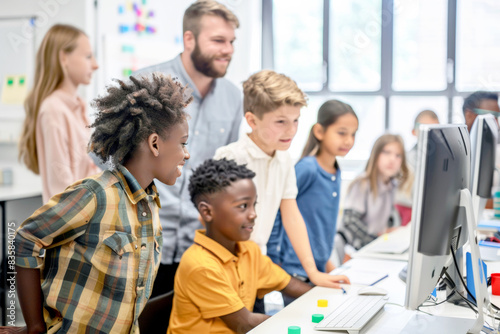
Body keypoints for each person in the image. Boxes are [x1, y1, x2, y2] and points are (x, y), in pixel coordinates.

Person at [15, 74, 192, 334]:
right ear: (155, 144)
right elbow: (26, 238)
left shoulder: (151, 203)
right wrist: (34, 326)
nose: (186, 154)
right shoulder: (94, 195)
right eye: (183, 144)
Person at [134, 0, 243, 297]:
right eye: (218, 40)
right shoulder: (147, 84)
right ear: (189, 39)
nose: (228, 49)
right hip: (142, 241)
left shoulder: (234, 97)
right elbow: (103, 152)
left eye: (231, 41)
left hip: (198, 245)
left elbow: (224, 169)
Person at [214, 70, 350, 291]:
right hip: (225, 272)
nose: (291, 130)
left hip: (255, 268)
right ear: (251, 120)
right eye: (280, 122)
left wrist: (313, 272)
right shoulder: (230, 158)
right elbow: (216, 224)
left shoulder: (284, 159)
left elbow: (292, 216)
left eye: (295, 120)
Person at [168, 158, 313, 333]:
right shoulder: (201, 264)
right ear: (207, 212)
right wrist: (299, 326)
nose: (253, 214)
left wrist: (328, 297)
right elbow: (245, 323)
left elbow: (288, 285)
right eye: (243, 206)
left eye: (254, 204)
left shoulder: (248, 250)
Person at [266, 100, 358, 305]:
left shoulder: (335, 170)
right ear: (319, 131)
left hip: (317, 269)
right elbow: (280, 212)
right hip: (295, 269)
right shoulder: (307, 168)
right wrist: (276, 259)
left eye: (353, 134)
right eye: (342, 133)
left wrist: (328, 265)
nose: (349, 140)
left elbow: (318, 226)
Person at [18, 24, 100, 203]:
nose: (95, 65)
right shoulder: (53, 110)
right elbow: (62, 192)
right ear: (64, 58)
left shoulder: (79, 106)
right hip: (75, 225)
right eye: (88, 57)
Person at [336, 134, 410, 261]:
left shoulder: (391, 185)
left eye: (398, 155)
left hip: (374, 248)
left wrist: (387, 232)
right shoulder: (362, 183)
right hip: (353, 250)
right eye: (386, 152)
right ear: (375, 155)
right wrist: (376, 241)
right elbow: (350, 221)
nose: (392, 159)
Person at [395, 110, 439, 225]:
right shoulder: (406, 159)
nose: (430, 134)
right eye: (424, 128)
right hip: (409, 213)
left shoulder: (442, 159)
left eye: (435, 129)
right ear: (414, 131)